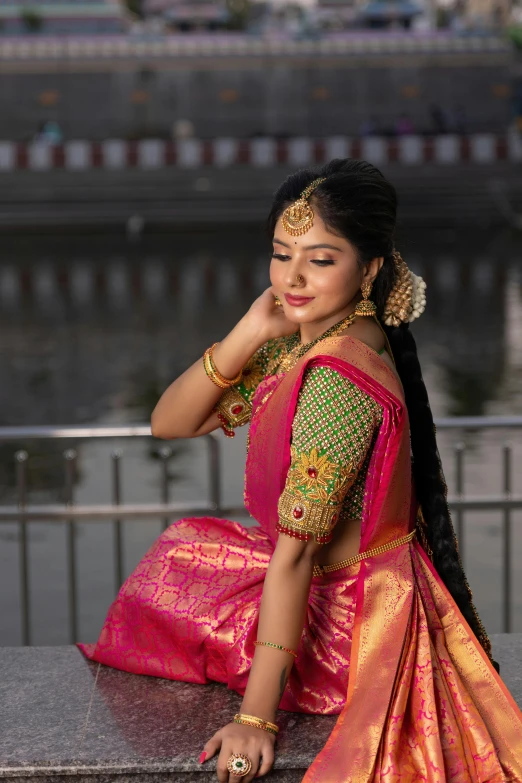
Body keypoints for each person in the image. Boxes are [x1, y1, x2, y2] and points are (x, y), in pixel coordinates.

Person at [79, 159, 522, 782]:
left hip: (352, 621)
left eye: (319, 258)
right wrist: (251, 328)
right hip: (341, 581)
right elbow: (171, 423)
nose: (292, 277)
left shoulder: (335, 380)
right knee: (184, 551)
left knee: (174, 592)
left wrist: (254, 721)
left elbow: (294, 557)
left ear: (369, 267)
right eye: (281, 254)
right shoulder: (315, 338)